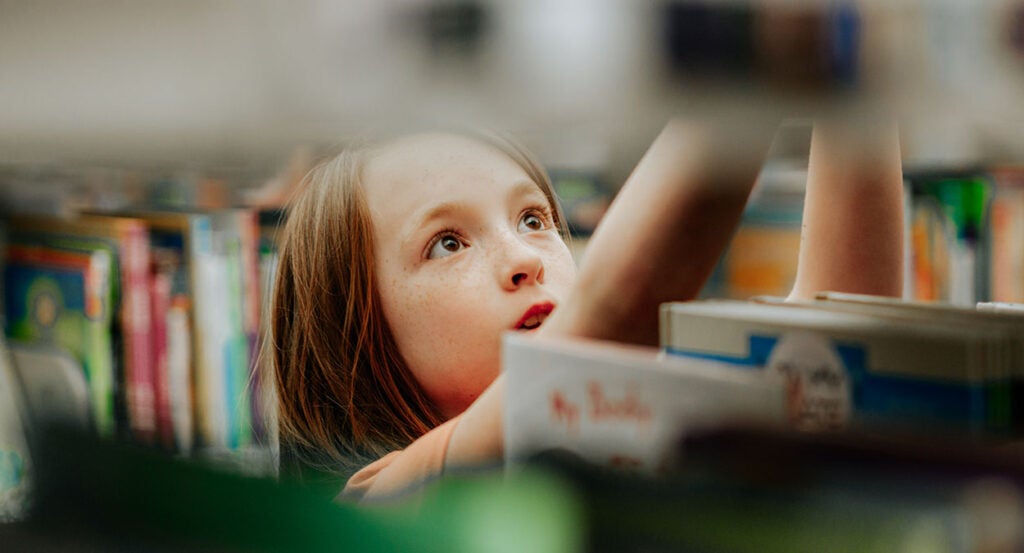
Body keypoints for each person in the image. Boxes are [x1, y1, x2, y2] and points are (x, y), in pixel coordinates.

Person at [270, 115, 904, 501]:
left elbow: (838, 336)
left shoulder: (650, 408)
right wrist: (749, 52)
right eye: (447, 243)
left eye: (532, 218)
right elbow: (611, 315)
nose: (524, 257)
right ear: (348, 342)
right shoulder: (381, 498)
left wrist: (858, 73)